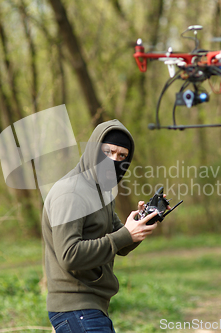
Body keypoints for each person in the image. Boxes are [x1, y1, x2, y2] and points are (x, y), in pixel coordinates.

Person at [42, 119, 159, 333]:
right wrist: (124, 235)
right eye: (108, 152)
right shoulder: (71, 192)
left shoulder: (102, 191)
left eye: (122, 156)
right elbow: (69, 255)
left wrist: (139, 224)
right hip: (75, 308)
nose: (114, 160)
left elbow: (120, 243)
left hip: (93, 307)